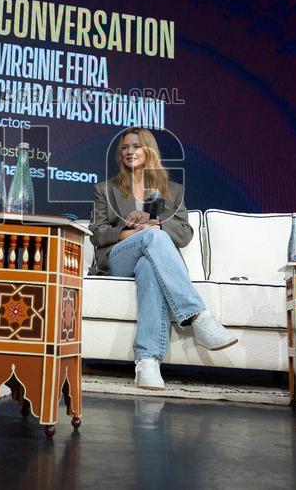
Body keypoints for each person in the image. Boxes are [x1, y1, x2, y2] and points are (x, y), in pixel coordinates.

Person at [90, 128, 237, 390]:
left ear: (149, 151)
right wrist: (130, 231)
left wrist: (156, 225)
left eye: (136, 146)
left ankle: (147, 362)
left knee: (149, 264)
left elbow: (183, 233)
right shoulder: (106, 190)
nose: (130, 151)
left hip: (147, 258)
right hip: (117, 259)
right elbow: (98, 234)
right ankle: (199, 318)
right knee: (153, 239)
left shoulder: (172, 191)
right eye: (125, 147)